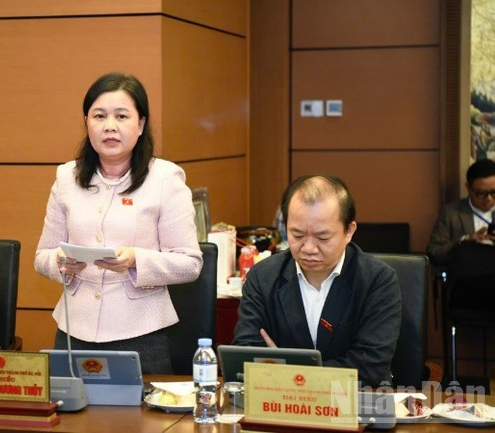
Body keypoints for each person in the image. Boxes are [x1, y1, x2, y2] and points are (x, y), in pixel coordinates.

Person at [34, 72, 203, 374]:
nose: (109, 126)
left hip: (140, 332)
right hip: (74, 329)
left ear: (140, 125)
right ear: (87, 122)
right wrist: (60, 261)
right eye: (99, 116)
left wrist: (135, 259)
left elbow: (190, 263)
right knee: (70, 416)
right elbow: (42, 257)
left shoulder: (165, 178)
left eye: (121, 116)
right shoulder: (66, 177)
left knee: (137, 421)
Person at [232, 175, 401, 387]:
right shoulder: (262, 277)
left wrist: (289, 372)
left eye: (323, 238)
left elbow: (370, 367)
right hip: (281, 405)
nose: (309, 249)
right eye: (298, 235)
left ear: (349, 231)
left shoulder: (377, 280)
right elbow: (246, 357)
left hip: (355, 405)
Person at [427, 158, 495, 267]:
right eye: (481, 193)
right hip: (466, 278)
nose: (489, 199)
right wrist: (464, 241)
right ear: (468, 188)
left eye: (493, 192)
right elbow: (434, 252)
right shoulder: (451, 213)